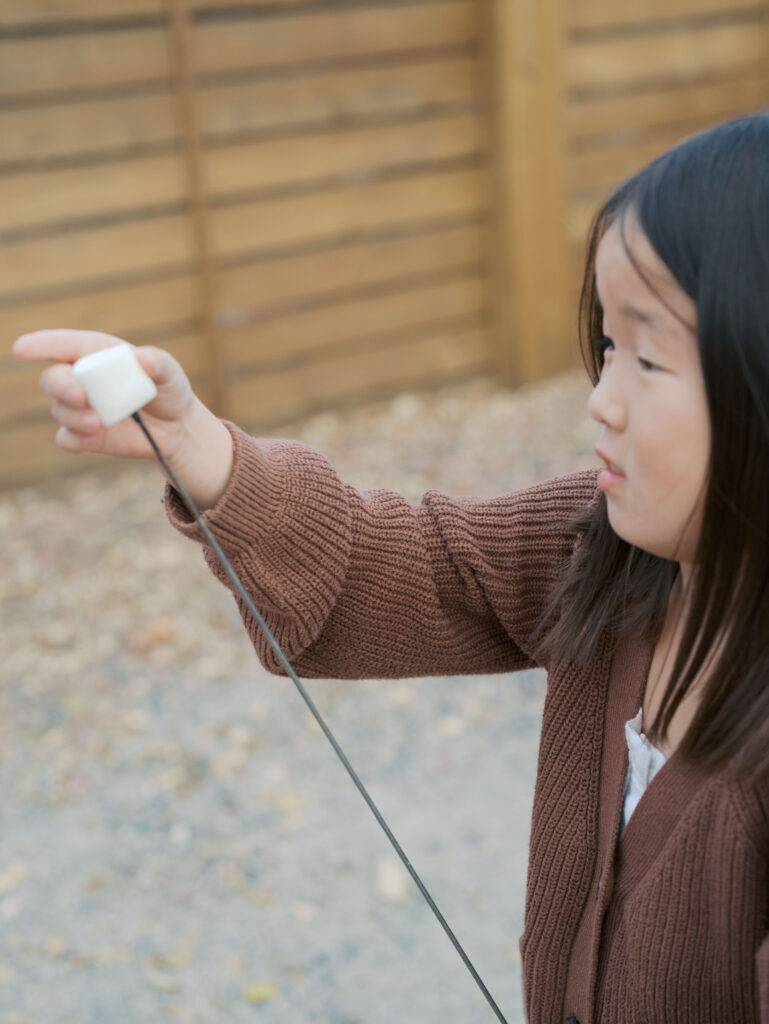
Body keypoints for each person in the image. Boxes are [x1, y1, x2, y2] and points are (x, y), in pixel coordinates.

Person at [13, 111, 769, 1023]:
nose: (600, 400)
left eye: (649, 357)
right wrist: (204, 450)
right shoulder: (602, 547)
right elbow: (412, 566)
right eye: (607, 346)